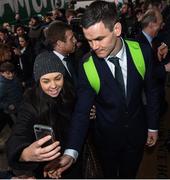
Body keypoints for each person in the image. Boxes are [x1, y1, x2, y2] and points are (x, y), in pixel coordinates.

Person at [47, 1, 160, 178]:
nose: (94, 47)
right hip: (106, 140)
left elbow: (152, 90)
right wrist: (71, 151)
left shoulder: (142, 51)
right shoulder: (86, 65)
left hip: (137, 134)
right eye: (89, 40)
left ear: (116, 29)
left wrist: (153, 126)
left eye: (99, 39)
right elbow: (81, 112)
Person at [6, 51, 82, 178]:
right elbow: (18, 134)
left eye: (58, 78)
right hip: (47, 168)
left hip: (74, 158)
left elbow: (79, 122)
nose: (53, 86)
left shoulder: (70, 91)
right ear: (38, 81)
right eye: (46, 81)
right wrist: (25, 154)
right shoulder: (30, 103)